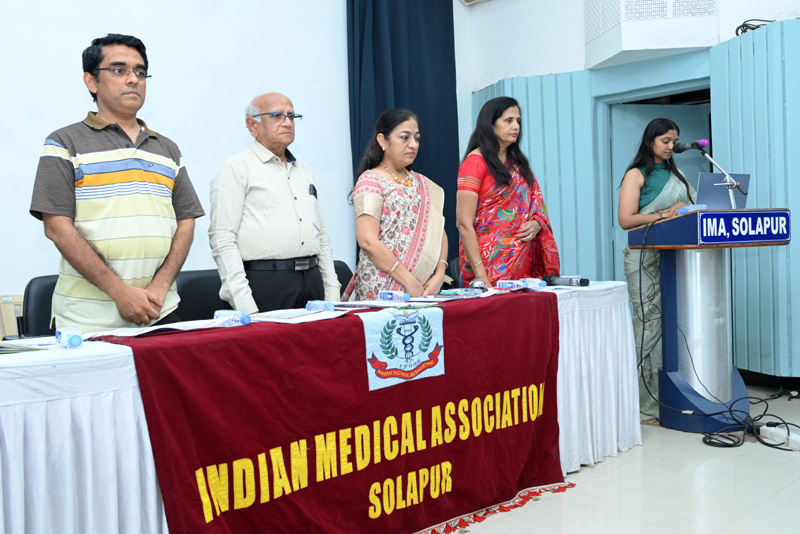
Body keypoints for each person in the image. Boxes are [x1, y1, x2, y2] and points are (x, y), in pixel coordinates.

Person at [29, 34, 204, 333]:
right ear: (91, 81)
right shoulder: (63, 142)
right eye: (119, 70)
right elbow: (57, 228)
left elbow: (186, 221)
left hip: (160, 310)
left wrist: (161, 286)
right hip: (87, 321)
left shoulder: (168, 149)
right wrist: (120, 293)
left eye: (140, 72)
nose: (133, 80)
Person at [208, 93, 339, 313]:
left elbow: (322, 237)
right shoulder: (236, 168)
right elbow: (222, 238)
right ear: (253, 125)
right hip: (265, 286)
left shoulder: (305, 171)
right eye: (277, 116)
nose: (287, 123)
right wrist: (245, 305)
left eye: (291, 116)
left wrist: (332, 293)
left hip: (313, 283)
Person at [618, 117, 696, 418]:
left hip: (673, 257)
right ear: (650, 141)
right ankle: (642, 398)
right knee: (648, 323)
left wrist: (684, 210)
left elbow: (694, 208)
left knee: (674, 322)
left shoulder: (678, 175)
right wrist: (665, 215)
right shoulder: (636, 174)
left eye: (674, 141)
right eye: (665, 140)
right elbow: (626, 219)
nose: (671, 146)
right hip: (643, 257)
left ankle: (670, 391)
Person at [342, 109, 448, 301]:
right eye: (404, 137)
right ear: (382, 140)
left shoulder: (423, 184)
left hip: (423, 288)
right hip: (381, 288)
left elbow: (438, 232)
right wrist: (408, 281)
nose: (413, 144)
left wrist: (439, 275)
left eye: (417, 138)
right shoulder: (370, 181)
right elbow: (368, 241)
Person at [456, 96, 559, 286]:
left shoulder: (520, 165)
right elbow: (463, 224)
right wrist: (481, 276)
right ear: (490, 124)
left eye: (518, 121)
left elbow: (537, 209)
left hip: (524, 267)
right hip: (488, 267)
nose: (516, 126)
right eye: (508, 120)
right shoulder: (475, 162)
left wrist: (537, 224)